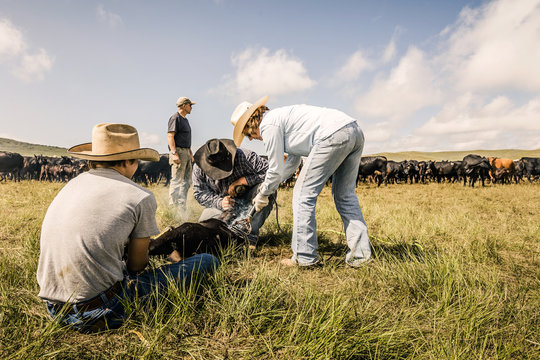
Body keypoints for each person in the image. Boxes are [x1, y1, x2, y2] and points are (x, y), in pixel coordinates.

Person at [36, 123, 218, 333]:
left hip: (55, 310)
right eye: (137, 161)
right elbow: (136, 266)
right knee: (207, 261)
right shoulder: (139, 196)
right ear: (128, 161)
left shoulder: (71, 185)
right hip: (103, 310)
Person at [230, 96, 372, 268]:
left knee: (302, 195)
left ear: (250, 124)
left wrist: (263, 194)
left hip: (331, 135)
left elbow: (274, 169)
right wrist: (269, 186)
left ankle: (305, 257)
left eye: (247, 133)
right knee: (345, 195)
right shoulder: (282, 119)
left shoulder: (268, 125)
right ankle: (361, 256)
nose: (251, 139)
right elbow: (292, 162)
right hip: (353, 130)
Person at [192, 138, 274, 246]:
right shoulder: (199, 167)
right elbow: (199, 193)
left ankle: (248, 236)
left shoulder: (245, 156)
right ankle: (228, 234)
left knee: (267, 190)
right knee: (204, 228)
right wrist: (220, 202)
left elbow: (272, 173)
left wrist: (243, 181)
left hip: (248, 199)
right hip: (219, 206)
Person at [168, 96, 196, 213]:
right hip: (178, 151)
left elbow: (186, 137)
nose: (191, 108)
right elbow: (170, 136)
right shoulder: (175, 118)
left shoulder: (185, 120)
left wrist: (190, 153)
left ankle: (181, 205)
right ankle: (172, 207)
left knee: (187, 181)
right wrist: (174, 153)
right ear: (184, 106)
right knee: (177, 180)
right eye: (190, 105)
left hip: (186, 152)